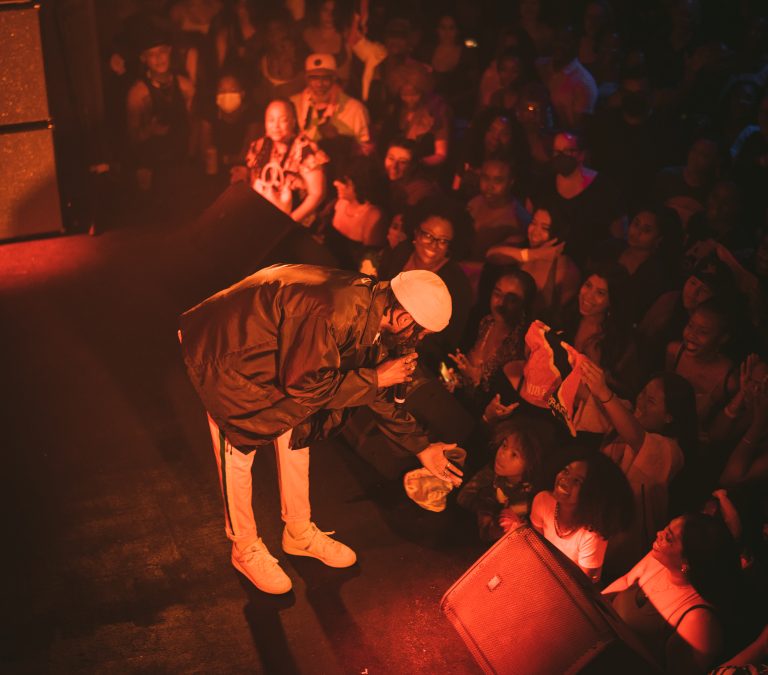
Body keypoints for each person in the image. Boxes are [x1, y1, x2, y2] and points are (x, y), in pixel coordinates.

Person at [179, 265, 461, 594]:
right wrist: (377, 377)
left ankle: (298, 531)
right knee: (238, 446)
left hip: (276, 353)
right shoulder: (334, 312)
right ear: (403, 317)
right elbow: (306, 386)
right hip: (229, 352)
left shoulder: (376, 311)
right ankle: (244, 547)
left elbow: (373, 391)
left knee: (298, 434)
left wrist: (421, 447)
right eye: (421, 332)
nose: (419, 340)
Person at [579, 355, 698, 573]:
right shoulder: (623, 411)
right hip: (590, 521)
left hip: (623, 543)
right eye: (642, 393)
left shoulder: (671, 451)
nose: (640, 402)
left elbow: (637, 438)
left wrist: (604, 392)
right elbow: (584, 395)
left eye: (650, 401)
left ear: (669, 417)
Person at [603, 513, 743, 674]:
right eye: (666, 528)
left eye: (669, 538)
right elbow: (626, 581)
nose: (659, 534)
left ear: (686, 562)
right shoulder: (659, 559)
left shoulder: (697, 620)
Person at [508, 450, 633, 583]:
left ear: (591, 493)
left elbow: (581, 585)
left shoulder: (592, 535)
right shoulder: (543, 501)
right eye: (566, 471)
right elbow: (538, 549)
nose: (565, 480)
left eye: (577, 481)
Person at [238, 98, 328, 226]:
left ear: (293, 122)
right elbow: (253, 184)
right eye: (271, 120)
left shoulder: (305, 149)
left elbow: (317, 194)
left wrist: (289, 222)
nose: (276, 126)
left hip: (297, 221)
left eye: (283, 120)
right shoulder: (258, 146)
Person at [486, 204, 581, 323]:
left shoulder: (565, 268)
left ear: (558, 233)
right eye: (534, 223)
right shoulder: (520, 244)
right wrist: (532, 255)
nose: (535, 231)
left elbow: (556, 315)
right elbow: (491, 255)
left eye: (544, 228)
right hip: (497, 320)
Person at [457, 417, 546, 542]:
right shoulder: (492, 472)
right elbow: (463, 497)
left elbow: (490, 532)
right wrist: (485, 504)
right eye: (504, 445)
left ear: (530, 465)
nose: (502, 454)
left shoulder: (526, 497)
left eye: (514, 454)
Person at [290, 53, 372, 155]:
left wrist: (339, 140)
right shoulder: (292, 105)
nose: (319, 84)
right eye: (314, 78)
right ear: (306, 79)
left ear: (334, 78)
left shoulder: (355, 110)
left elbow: (367, 152)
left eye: (325, 78)